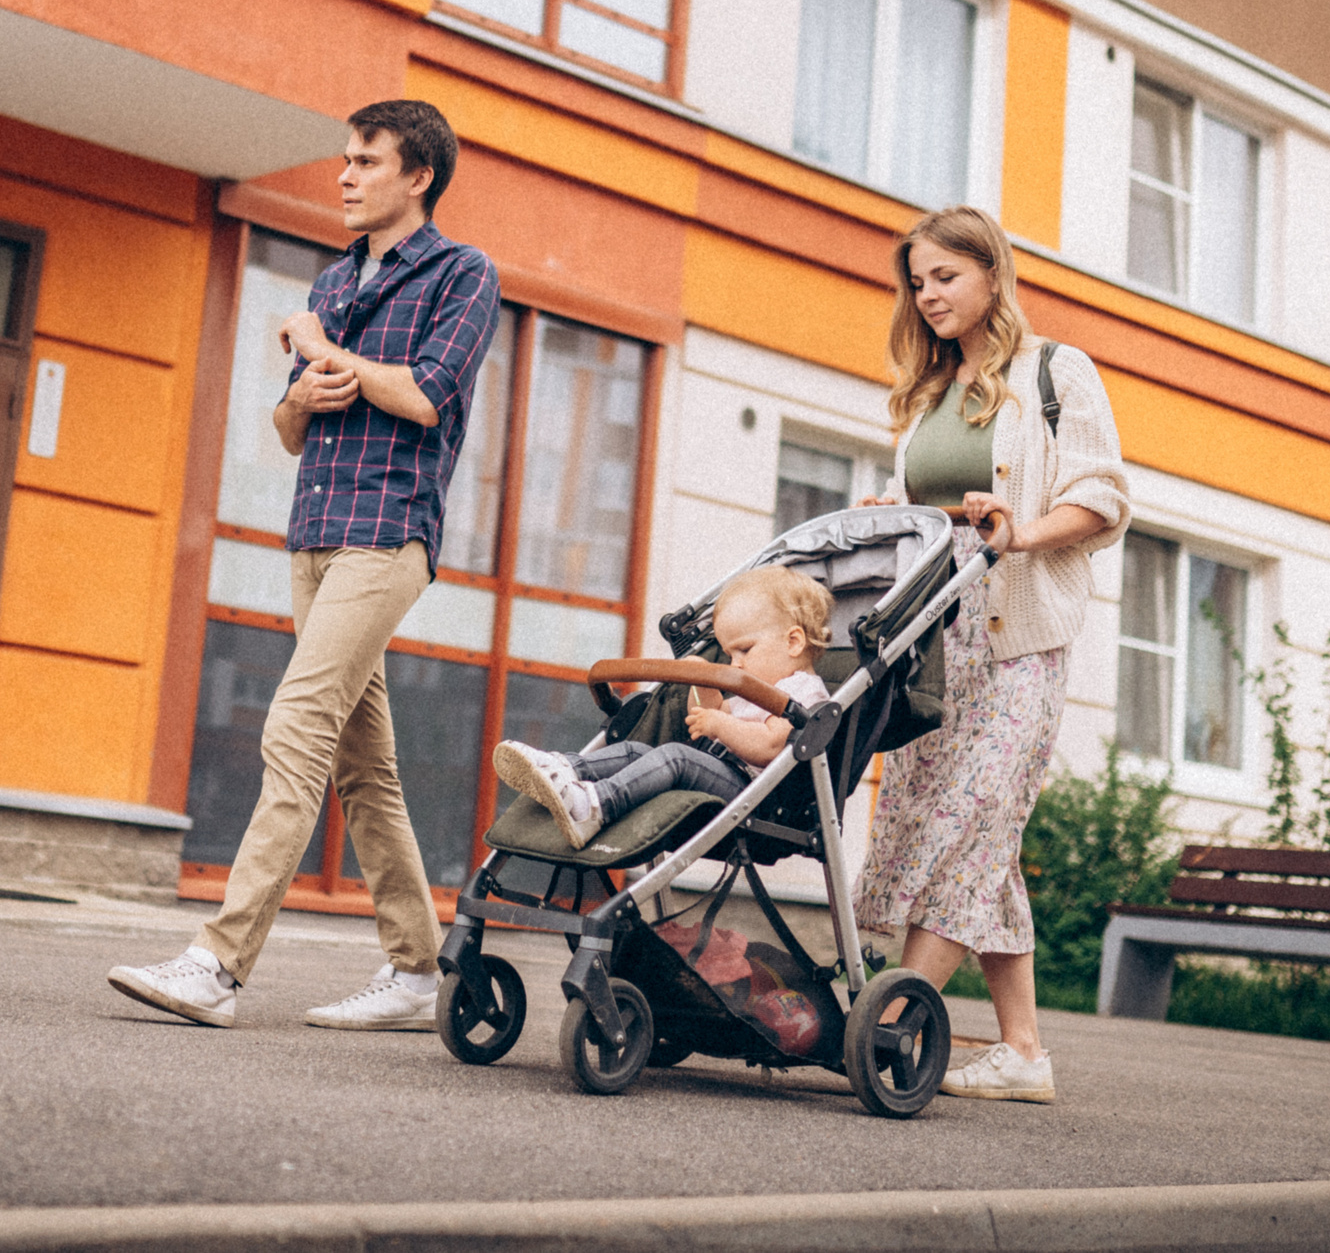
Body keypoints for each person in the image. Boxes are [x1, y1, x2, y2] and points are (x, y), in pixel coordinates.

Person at [110, 101, 500, 1032]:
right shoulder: (333, 281)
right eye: (346, 160)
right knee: (367, 769)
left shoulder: (462, 274)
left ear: (419, 177)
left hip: (388, 533)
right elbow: (288, 427)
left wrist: (335, 357)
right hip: (315, 532)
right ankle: (415, 972)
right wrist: (312, 390)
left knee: (295, 725)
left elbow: (425, 396)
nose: (346, 176)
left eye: (367, 162)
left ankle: (218, 962)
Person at [853, 204, 1127, 1106]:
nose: (928, 295)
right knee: (982, 835)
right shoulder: (929, 394)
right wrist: (879, 521)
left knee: (972, 822)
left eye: (946, 277)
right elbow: (923, 515)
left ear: (992, 275)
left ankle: (893, 1018)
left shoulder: (1056, 372)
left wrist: (1020, 533)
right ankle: (1024, 1053)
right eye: (918, 281)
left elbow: (1104, 498)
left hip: (1017, 639)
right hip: (934, 649)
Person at [495, 566, 833, 849]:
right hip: (721, 771)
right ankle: (564, 769)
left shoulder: (804, 692)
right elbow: (707, 712)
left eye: (744, 650)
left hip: (756, 796)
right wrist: (704, 681)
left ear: (793, 642)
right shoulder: (754, 688)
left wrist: (718, 725)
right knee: (633, 751)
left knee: (675, 757)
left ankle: (595, 804)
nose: (736, 664)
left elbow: (770, 746)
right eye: (730, 655)